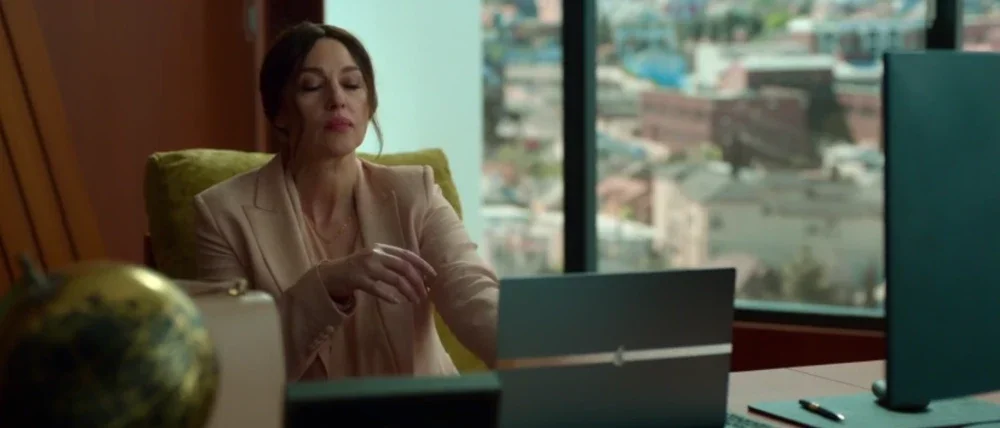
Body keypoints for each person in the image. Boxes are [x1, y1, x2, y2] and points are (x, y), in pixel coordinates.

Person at [192, 22, 498, 381]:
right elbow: (234, 363)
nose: (337, 99)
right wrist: (327, 283)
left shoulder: (416, 192)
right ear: (278, 112)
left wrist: (539, 361)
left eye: (352, 84)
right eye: (312, 86)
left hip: (421, 407)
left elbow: (473, 296)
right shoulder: (222, 214)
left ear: (369, 105)